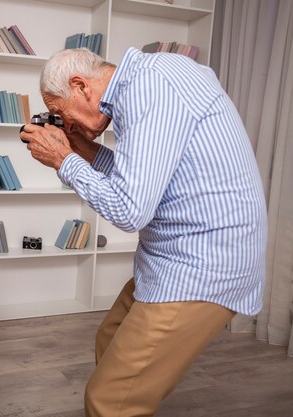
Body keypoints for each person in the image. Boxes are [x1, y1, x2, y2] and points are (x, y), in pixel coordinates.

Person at [20, 47, 267, 416]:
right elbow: (137, 177)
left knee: (107, 400)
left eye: (61, 114)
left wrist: (63, 160)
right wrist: (82, 150)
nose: (65, 125)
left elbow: (128, 209)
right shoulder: (146, 82)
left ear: (80, 85)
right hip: (173, 254)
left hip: (204, 262)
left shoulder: (149, 89)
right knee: (110, 338)